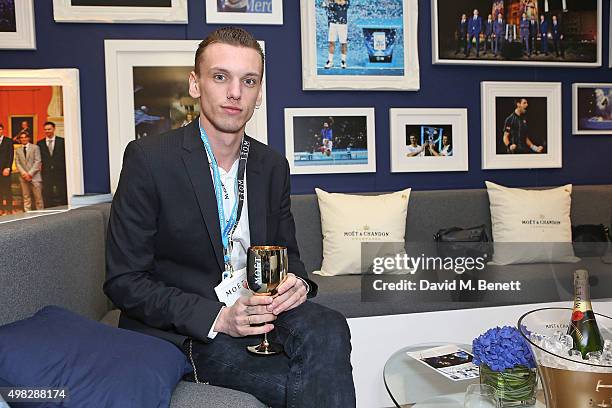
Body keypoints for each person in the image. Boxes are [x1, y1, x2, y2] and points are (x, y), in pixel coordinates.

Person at [104, 27, 355, 408]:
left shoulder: (272, 165)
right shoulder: (149, 159)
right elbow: (124, 280)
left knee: (330, 326)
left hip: (260, 309)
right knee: (300, 382)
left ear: (259, 92)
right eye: (220, 77)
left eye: (249, 81)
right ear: (195, 84)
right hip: (190, 327)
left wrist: (299, 282)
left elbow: (290, 256)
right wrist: (218, 318)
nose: (235, 92)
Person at [37, 121, 67, 208]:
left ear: (54, 129)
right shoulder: (40, 143)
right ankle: (48, 211)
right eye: (45, 129)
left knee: (62, 192)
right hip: (46, 172)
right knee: (47, 193)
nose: (47, 131)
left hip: (60, 172)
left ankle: (65, 209)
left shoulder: (62, 141)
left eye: (49, 129)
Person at [15, 132, 44, 211]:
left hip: (35, 177)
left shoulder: (35, 147)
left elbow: (38, 161)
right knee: (26, 197)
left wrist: (30, 174)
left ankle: (41, 215)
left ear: (28, 138)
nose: (23, 139)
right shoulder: (18, 150)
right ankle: (27, 215)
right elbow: (17, 163)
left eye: (25, 137)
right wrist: (24, 174)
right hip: (23, 177)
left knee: (38, 198)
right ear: (20, 139)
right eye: (21, 137)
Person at [322, 0, 350, 69]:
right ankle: (330, 61)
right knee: (331, 42)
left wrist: (333, 2)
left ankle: (343, 61)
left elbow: (343, 2)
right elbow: (324, 4)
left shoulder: (346, 1)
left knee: (343, 43)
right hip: (333, 24)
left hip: (343, 24)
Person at [0, 123, 14, 215]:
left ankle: (9, 209)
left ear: (2, 130)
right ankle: (1, 209)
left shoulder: (8, 141)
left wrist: (8, 168)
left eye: (0, 129)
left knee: (7, 190)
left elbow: (11, 155)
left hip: (5, 170)